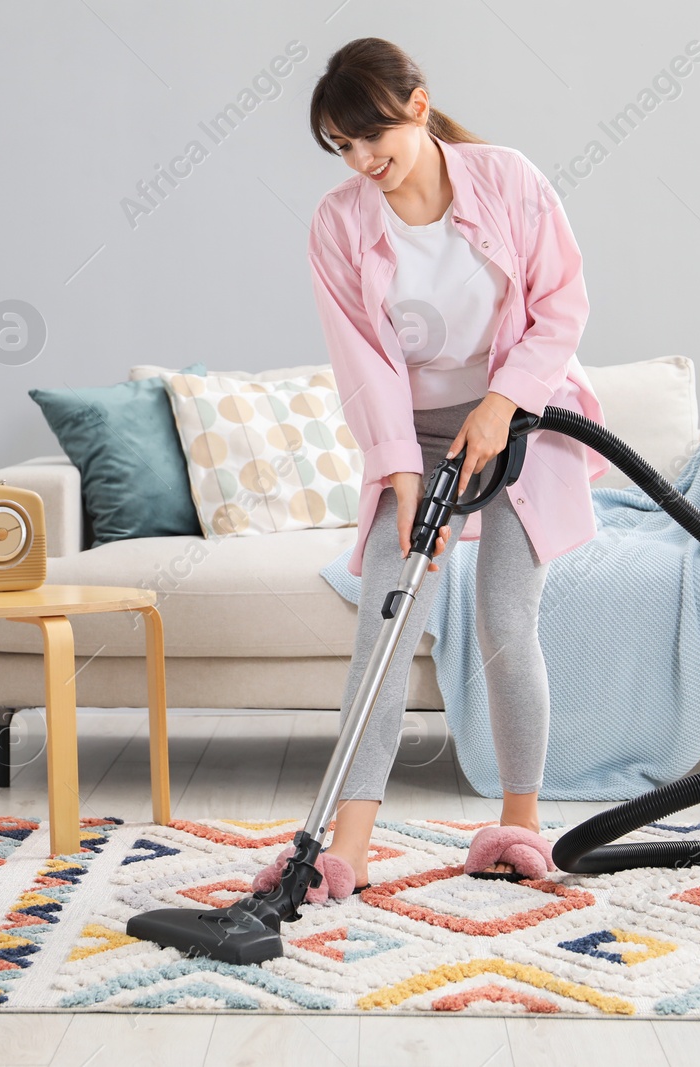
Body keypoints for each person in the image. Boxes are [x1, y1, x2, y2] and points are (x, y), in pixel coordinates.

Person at [256, 37, 609, 901]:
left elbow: (562, 303)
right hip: (408, 430)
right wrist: (403, 476)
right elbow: (362, 363)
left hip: (523, 411)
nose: (361, 160)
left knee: (502, 616)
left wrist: (503, 403)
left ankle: (520, 829)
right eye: (341, 146)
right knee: (384, 616)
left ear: (416, 106)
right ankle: (349, 849)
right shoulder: (339, 222)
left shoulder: (510, 180)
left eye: (371, 135)